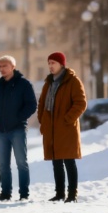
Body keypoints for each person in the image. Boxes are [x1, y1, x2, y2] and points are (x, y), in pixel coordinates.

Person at [37, 52, 87, 203]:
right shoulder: (48, 83)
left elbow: (81, 103)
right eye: (49, 63)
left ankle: (72, 194)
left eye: (53, 63)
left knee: (69, 161)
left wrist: (67, 119)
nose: (51, 66)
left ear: (61, 64)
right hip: (51, 128)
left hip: (66, 128)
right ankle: (59, 193)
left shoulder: (73, 81)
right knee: (56, 161)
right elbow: (42, 104)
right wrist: (42, 120)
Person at [0, 55, 37, 201]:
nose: (2, 69)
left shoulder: (24, 84)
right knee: (3, 165)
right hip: (0, 132)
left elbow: (32, 105)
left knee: (21, 162)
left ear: (13, 67)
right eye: (0, 66)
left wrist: (18, 118)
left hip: (17, 130)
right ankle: (6, 193)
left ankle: (24, 194)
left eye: (5, 66)